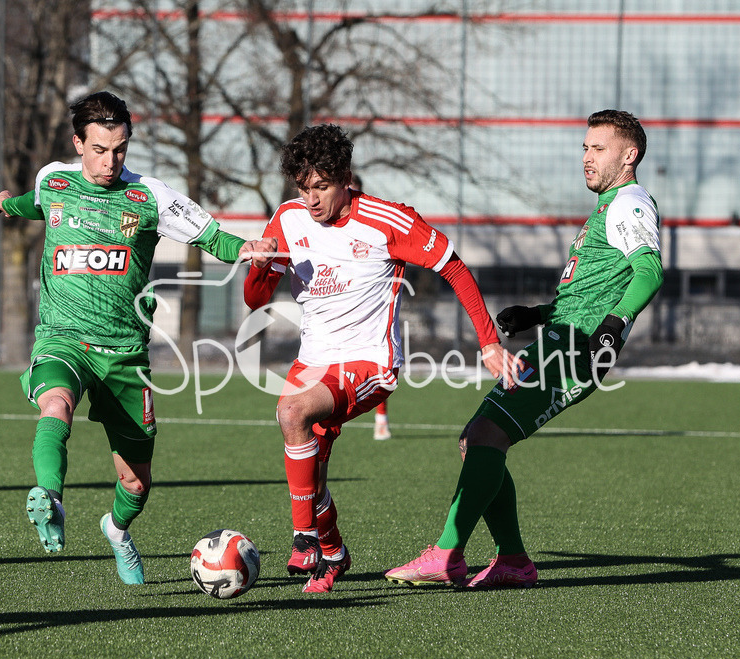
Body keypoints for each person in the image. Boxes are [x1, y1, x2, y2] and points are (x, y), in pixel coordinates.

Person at [0, 91, 267, 585]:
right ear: (78, 143)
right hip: (63, 338)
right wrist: (7, 204)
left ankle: (117, 530)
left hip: (125, 354)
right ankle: (50, 497)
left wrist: (244, 246)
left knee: (136, 481)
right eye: (99, 149)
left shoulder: (149, 196)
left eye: (119, 149)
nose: (110, 160)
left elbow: (208, 236)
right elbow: (36, 203)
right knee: (55, 405)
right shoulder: (54, 180)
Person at [385, 109, 663, 589]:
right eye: (584, 148)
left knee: (485, 436)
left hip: (573, 347)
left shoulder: (629, 203)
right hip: (559, 335)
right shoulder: (608, 206)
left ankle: (448, 552)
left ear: (629, 154)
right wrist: (536, 314)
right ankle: (512, 559)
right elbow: (589, 293)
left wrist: (613, 326)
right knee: (478, 438)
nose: (587, 157)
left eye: (599, 148)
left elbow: (650, 271)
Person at [243, 123, 512, 593]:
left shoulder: (390, 220)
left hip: (371, 361)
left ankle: (304, 538)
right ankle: (332, 554)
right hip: (314, 361)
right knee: (313, 475)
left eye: (321, 187)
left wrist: (487, 341)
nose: (311, 200)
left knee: (290, 411)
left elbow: (453, 266)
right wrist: (261, 264)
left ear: (346, 177)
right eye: (303, 189)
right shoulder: (288, 218)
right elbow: (254, 300)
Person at [349, 174, 392, 441]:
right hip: (340, 311)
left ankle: (381, 419)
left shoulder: (374, 223)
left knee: (378, 367)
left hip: (372, 309)